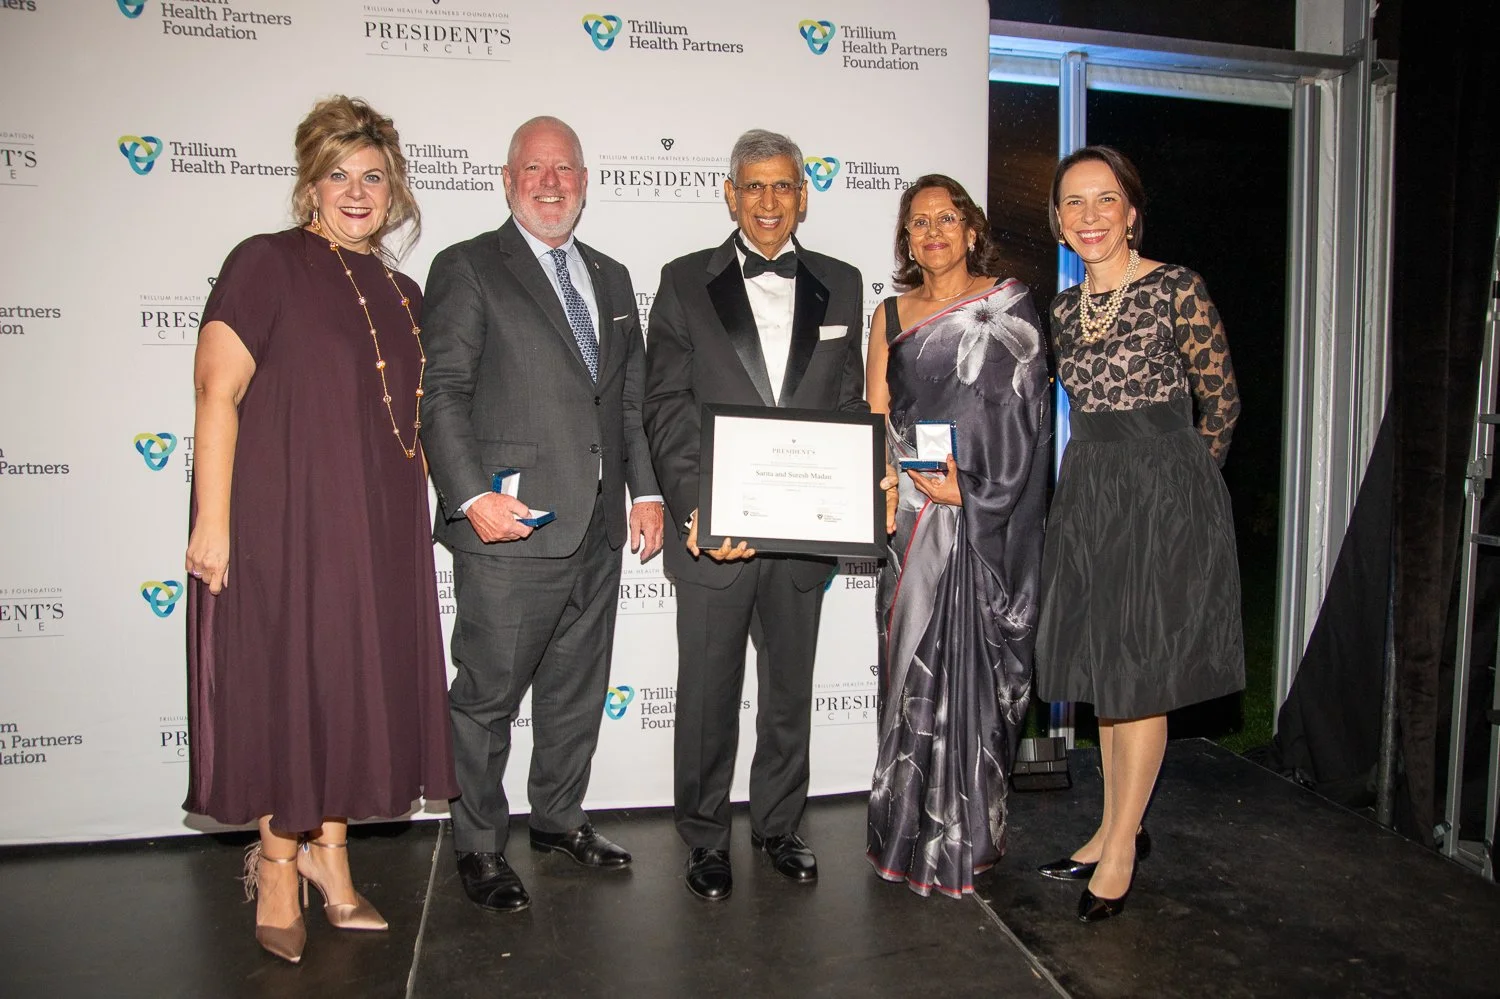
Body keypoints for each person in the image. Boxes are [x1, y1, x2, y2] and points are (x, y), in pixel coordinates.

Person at [183, 96, 459, 965]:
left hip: (376, 527)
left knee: (346, 685)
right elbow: (216, 393)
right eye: (338, 173)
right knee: (289, 685)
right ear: (309, 183)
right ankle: (275, 866)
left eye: (373, 175)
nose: (356, 190)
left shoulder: (408, 292)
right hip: (284, 519)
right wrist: (212, 521)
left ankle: (331, 859)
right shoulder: (265, 263)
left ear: (396, 190)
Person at [420, 116, 664, 914]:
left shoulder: (614, 275)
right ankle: (480, 844)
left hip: (595, 526)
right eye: (535, 168)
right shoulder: (467, 267)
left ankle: (558, 820)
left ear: (586, 181)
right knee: (487, 697)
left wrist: (650, 491)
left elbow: (628, 401)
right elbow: (443, 394)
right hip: (506, 526)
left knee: (574, 690)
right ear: (507, 178)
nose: (551, 182)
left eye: (565, 169)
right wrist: (470, 496)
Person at [643, 128, 866, 901]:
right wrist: (695, 505)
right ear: (730, 193)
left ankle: (779, 824)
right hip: (715, 534)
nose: (769, 201)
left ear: (803, 196)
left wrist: (848, 500)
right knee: (706, 693)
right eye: (754, 186)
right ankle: (705, 837)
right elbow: (664, 403)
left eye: (783, 187)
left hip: (803, 536)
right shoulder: (680, 281)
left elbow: (845, 406)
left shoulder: (842, 282)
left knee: (788, 692)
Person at [1034, 145, 1244, 922]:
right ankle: (1110, 824)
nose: (1090, 216)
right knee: (1107, 675)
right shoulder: (1060, 309)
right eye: (1074, 203)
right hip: (1091, 487)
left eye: (1104, 200)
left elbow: (1220, 400)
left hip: (1164, 494)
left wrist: (1191, 489)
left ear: (1130, 210)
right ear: (1058, 221)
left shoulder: (1175, 287)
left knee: (1143, 671)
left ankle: (1122, 845)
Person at [863, 175, 1049, 898]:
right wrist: (881, 488)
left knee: (979, 690)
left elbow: (1030, 428)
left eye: (946, 218)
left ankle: (967, 839)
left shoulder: (1010, 307)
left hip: (987, 528)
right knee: (906, 680)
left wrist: (971, 493)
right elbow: (877, 416)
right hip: (912, 526)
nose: (932, 231)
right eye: (918, 222)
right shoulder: (888, 314)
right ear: (906, 239)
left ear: (972, 228)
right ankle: (903, 833)